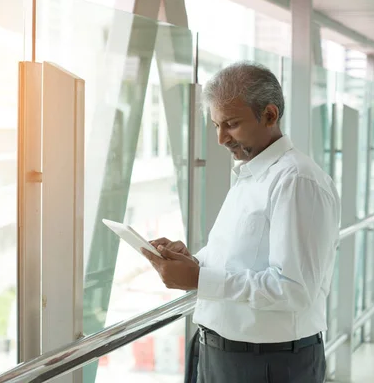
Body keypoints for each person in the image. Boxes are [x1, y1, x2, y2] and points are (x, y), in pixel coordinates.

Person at [141, 62, 340, 383]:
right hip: (223, 350)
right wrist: (194, 262)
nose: (221, 138)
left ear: (270, 115)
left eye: (231, 124)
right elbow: (243, 258)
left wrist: (200, 280)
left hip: (268, 363)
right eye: (217, 125)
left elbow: (294, 290)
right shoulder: (253, 174)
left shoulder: (297, 180)